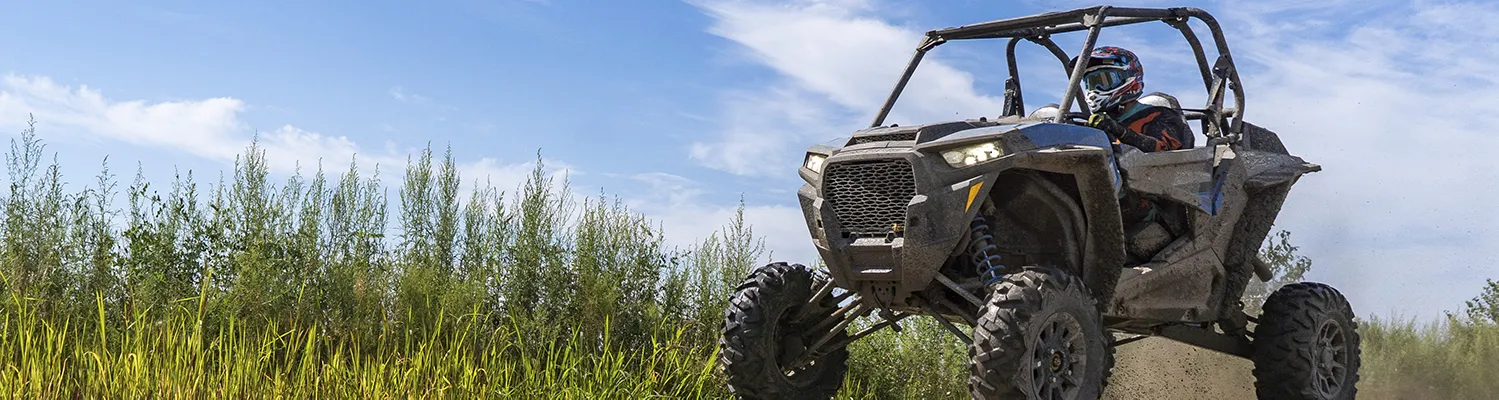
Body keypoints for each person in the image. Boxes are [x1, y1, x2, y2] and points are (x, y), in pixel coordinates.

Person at [1075, 46, 1193, 153]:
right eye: (1091, 83)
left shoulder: (1160, 115)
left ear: (1128, 78)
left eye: (1105, 81)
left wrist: (1121, 132)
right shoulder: (1099, 125)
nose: (1096, 90)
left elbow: (1163, 150)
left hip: (1154, 175)